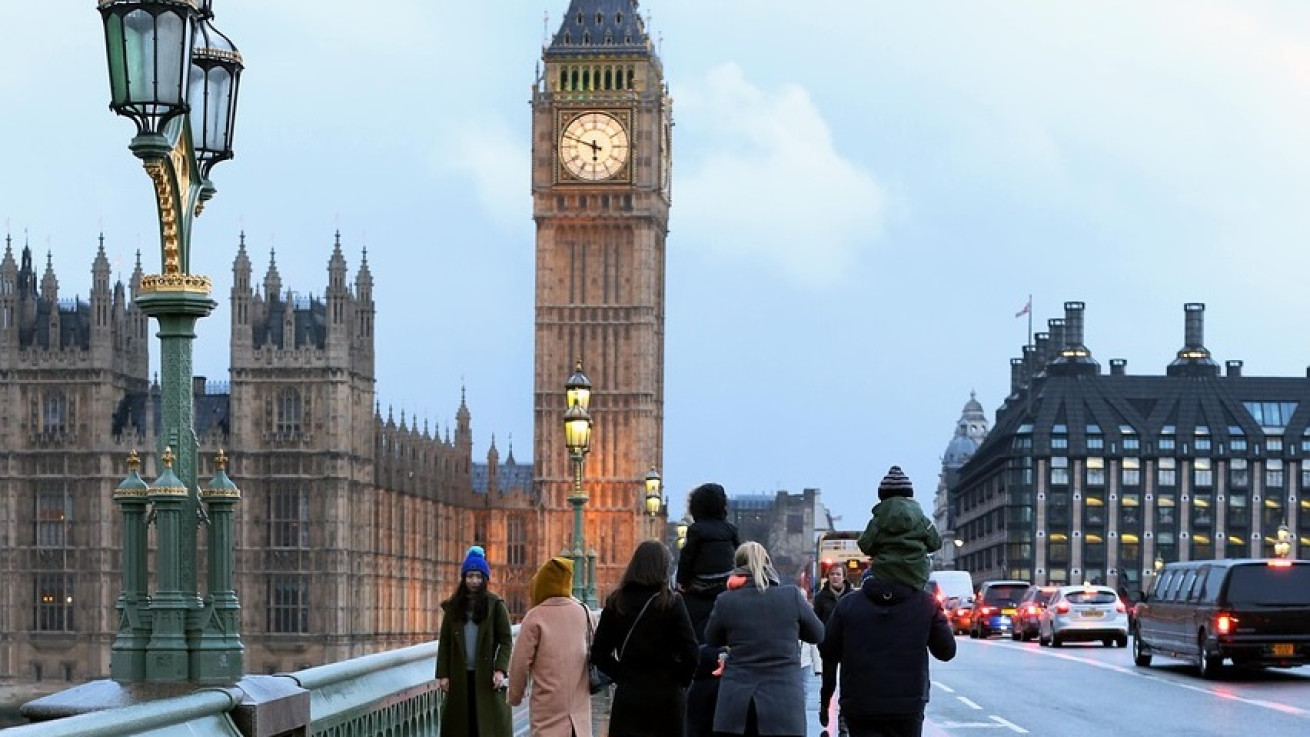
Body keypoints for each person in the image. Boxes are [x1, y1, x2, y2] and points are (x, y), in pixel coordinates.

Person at [704, 541, 824, 737]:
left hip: (737, 705)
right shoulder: (791, 596)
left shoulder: (726, 601)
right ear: (767, 563)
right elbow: (818, 634)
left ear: (738, 565)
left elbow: (711, 638)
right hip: (783, 702)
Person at [818, 568, 957, 737]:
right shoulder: (925, 603)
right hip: (907, 703)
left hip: (860, 700)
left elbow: (828, 650)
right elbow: (946, 651)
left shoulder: (847, 604)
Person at [591, 540, 699, 737]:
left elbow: (598, 654)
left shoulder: (617, 601)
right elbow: (691, 653)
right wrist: (677, 681)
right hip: (667, 699)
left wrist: (622, 674)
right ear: (663, 568)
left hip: (630, 697)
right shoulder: (672, 603)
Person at [507, 556, 593, 737]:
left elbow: (520, 663)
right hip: (579, 716)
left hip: (547, 711)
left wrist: (515, 695)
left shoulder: (535, 617)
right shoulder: (584, 612)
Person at [435, 546, 513, 737]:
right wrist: (443, 674)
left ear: (485, 578)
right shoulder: (453, 607)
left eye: (478, 576)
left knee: (484, 726)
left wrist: (500, 669)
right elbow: (445, 642)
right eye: (470, 576)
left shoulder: (495, 605)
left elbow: (505, 640)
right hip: (459, 675)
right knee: (462, 725)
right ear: (464, 578)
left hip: (486, 677)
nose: (474, 581)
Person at [856, 466, 941, 590]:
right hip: (916, 576)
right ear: (909, 494)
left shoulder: (877, 520)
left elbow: (864, 545)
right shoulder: (922, 519)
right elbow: (936, 544)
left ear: (882, 495)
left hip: (885, 575)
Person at [675, 482, 741, 640]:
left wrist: (682, 581)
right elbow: (739, 553)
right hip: (725, 581)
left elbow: (687, 557)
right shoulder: (730, 529)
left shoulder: (696, 530)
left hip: (701, 583)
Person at [813, 564, 854, 737]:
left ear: (844, 577)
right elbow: (815, 621)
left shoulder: (852, 596)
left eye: (838, 574)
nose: (835, 577)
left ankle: (843, 720)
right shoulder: (821, 597)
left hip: (848, 646)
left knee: (848, 684)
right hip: (829, 645)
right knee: (829, 682)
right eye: (832, 574)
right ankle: (824, 707)